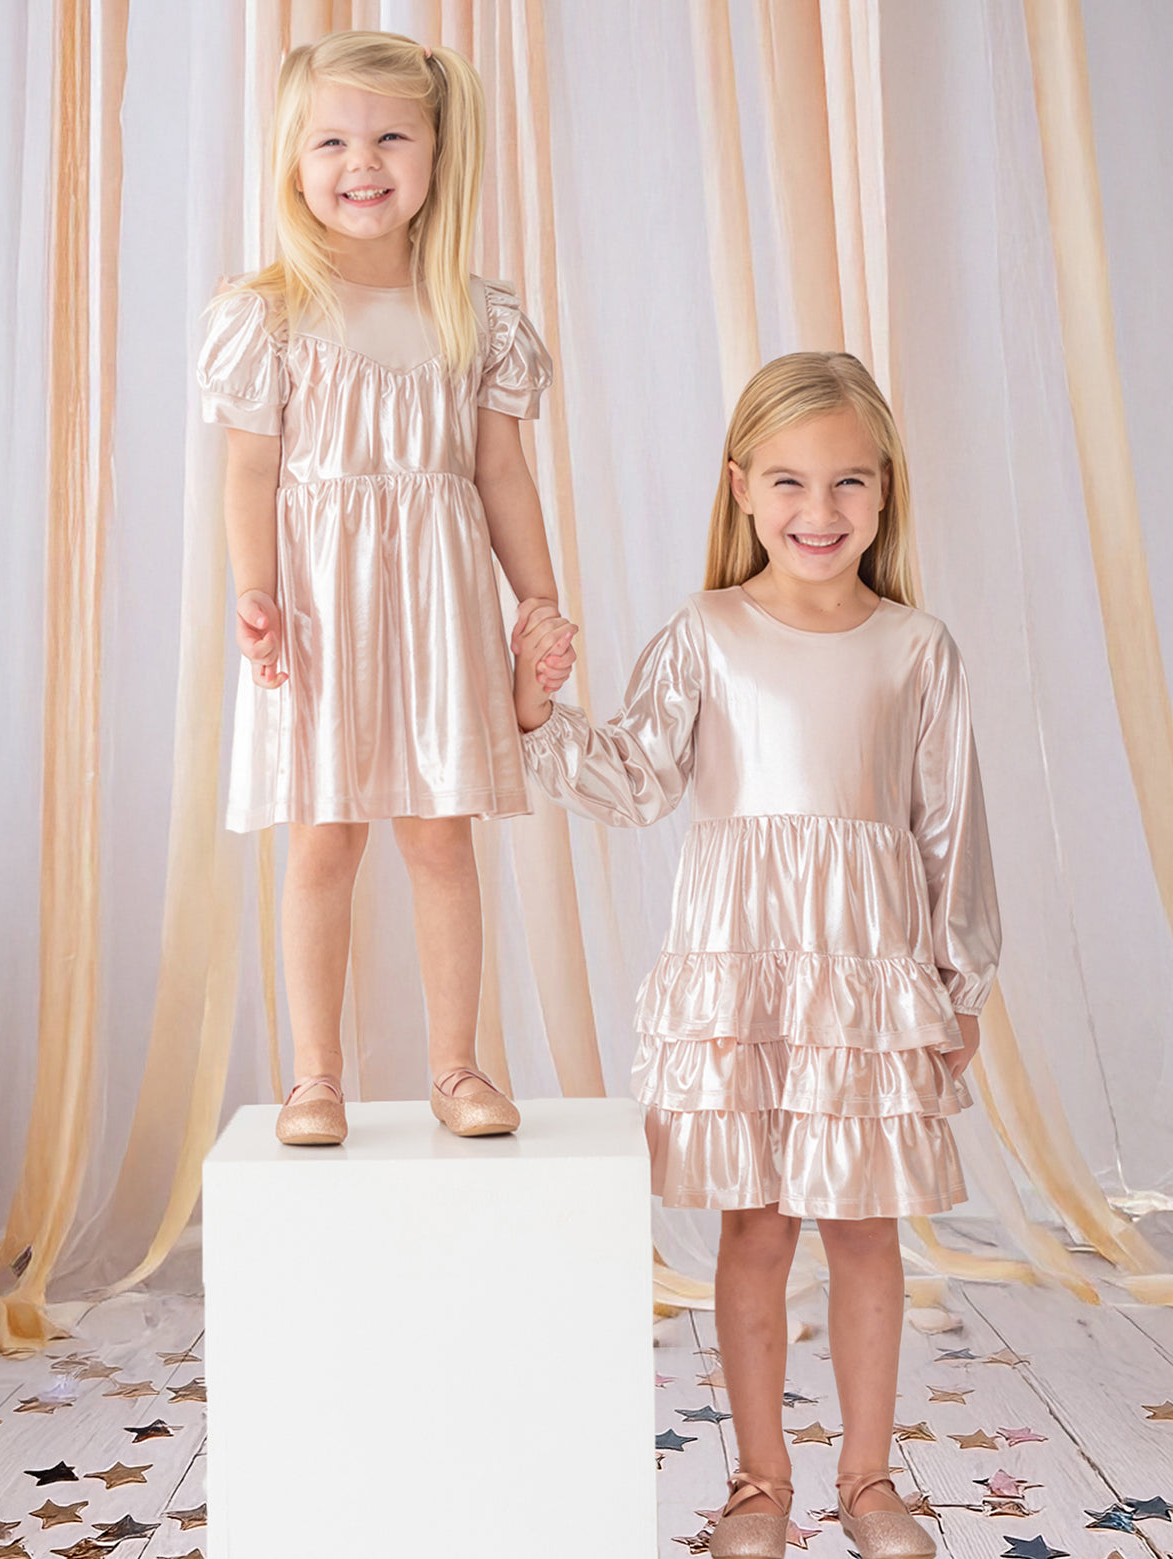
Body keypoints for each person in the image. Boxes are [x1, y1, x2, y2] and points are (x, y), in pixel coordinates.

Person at [513, 353, 1000, 1559]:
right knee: (756, 1226)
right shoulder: (708, 632)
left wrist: (958, 980)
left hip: (867, 983)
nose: (818, 511)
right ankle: (758, 1478)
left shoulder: (915, 647)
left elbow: (952, 830)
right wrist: (536, 712)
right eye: (788, 481)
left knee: (865, 1229)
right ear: (740, 487)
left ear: (887, 492)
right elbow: (634, 778)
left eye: (847, 483)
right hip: (742, 971)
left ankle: (873, 1476)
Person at [198, 31, 573, 1146]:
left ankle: (457, 1067)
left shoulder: (474, 312)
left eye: (390, 136)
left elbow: (501, 470)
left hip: (438, 605)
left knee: (439, 835)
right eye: (333, 140)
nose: (362, 162)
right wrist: (256, 591)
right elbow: (251, 470)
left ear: (435, 152)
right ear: (294, 160)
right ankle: (316, 1077)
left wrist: (536, 602)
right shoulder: (270, 312)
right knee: (322, 838)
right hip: (319, 610)